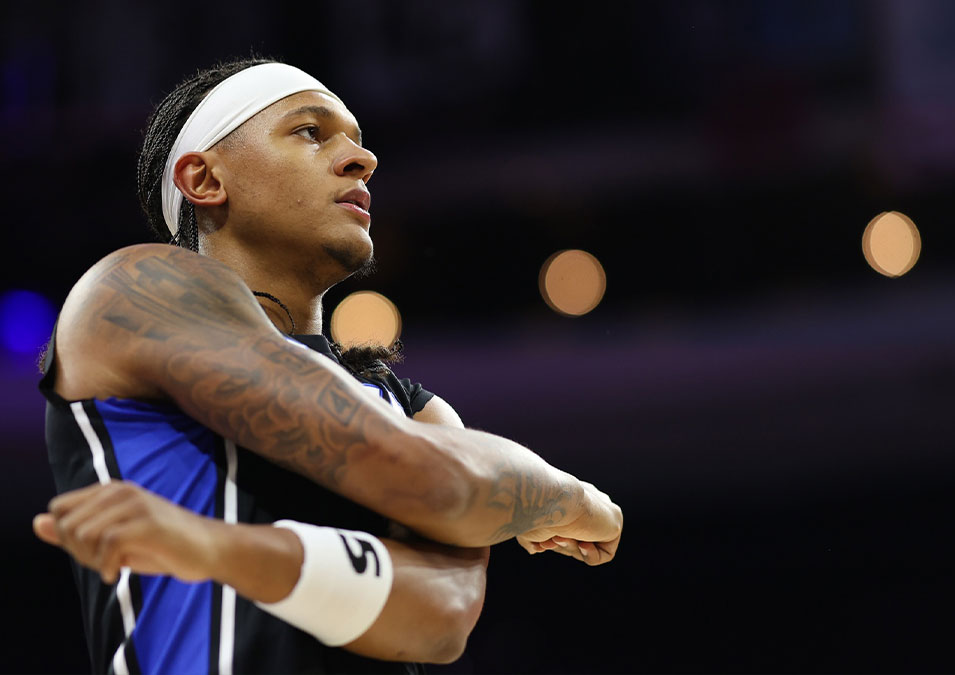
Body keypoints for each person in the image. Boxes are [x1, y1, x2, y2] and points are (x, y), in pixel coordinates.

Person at [32, 57, 623, 675]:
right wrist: (568, 497)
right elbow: (435, 481)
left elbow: (442, 617)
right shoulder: (135, 291)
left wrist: (219, 549)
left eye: (360, 143)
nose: (362, 160)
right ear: (203, 179)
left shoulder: (409, 404)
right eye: (310, 131)